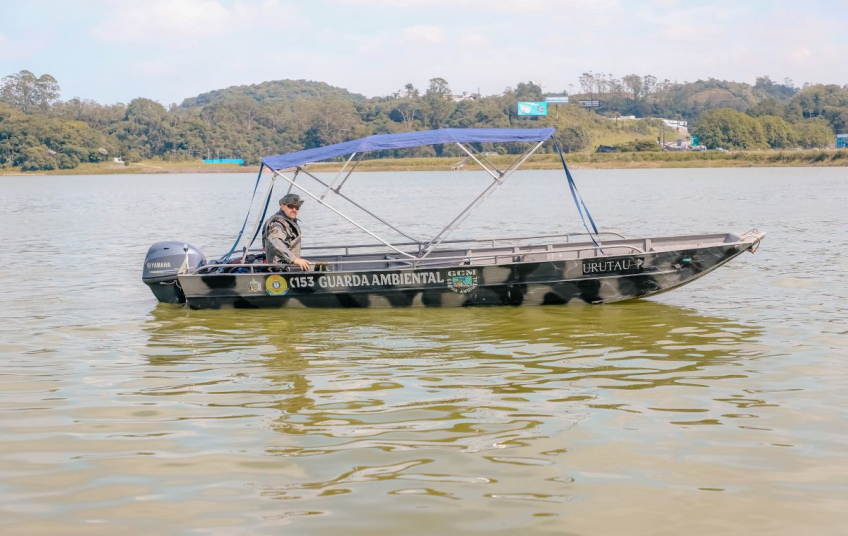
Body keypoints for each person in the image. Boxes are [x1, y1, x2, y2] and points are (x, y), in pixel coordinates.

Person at [262, 193, 311, 270]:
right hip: (281, 268)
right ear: (282, 206)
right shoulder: (278, 224)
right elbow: (275, 241)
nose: (294, 209)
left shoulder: (289, 221)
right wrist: (294, 259)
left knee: (319, 267)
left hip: (289, 265)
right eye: (291, 206)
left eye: (297, 207)